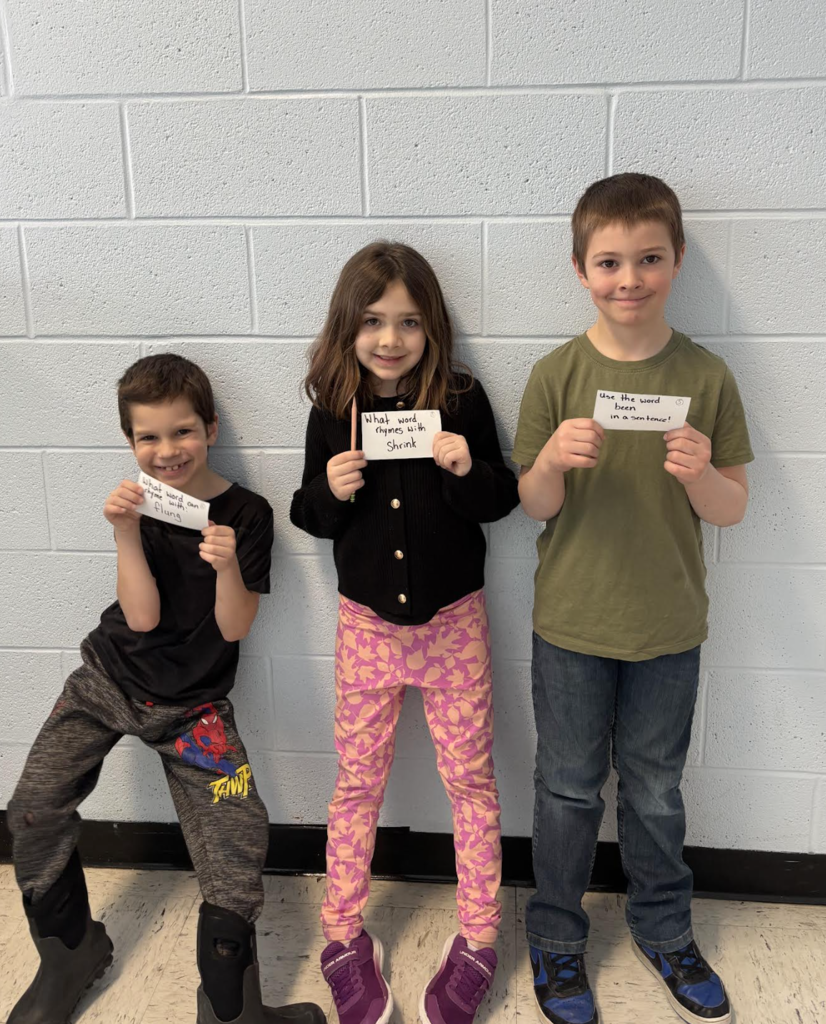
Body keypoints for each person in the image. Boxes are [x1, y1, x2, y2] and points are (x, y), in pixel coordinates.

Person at [6, 354, 326, 1024]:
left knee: (239, 835)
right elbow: (143, 617)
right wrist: (125, 533)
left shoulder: (247, 512)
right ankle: (70, 955)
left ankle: (232, 1010)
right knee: (33, 807)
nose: (167, 450)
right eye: (149, 437)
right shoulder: (140, 503)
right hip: (108, 681)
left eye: (182, 432)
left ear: (209, 427)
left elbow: (235, 626)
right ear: (131, 442)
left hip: (196, 710)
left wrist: (228, 565)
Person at [513, 174, 753, 1024]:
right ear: (580, 268)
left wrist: (698, 477)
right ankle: (556, 937)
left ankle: (663, 928)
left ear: (677, 261)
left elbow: (735, 504)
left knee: (655, 788)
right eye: (609, 261)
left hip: (668, 625)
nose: (629, 278)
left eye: (648, 259)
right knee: (568, 788)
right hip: (572, 623)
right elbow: (532, 504)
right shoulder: (556, 373)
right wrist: (550, 465)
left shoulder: (706, 374)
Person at [291, 242, 519, 1024]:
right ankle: (341, 934)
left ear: (433, 326)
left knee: (471, 783)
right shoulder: (331, 410)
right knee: (357, 781)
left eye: (409, 321)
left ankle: (481, 938)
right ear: (347, 327)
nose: (391, 339)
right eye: (374, 321)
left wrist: (467, 471)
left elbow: (501, 500)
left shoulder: (461, 399)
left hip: (454, 626)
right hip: (366, 630)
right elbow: (307, 514)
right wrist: (329, 489)